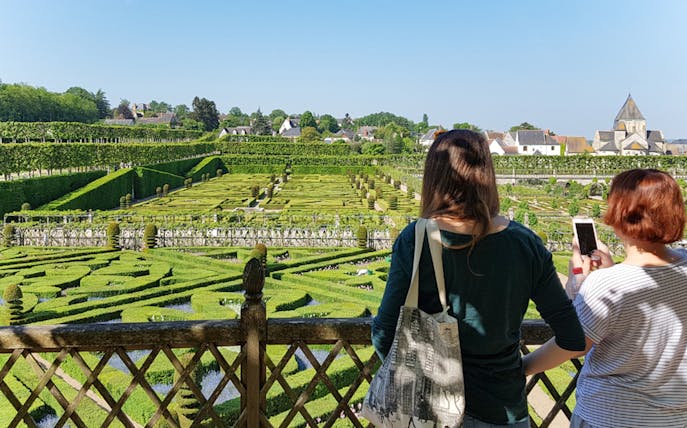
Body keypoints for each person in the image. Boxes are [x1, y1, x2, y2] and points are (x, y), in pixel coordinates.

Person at [371, 129, 586, 427]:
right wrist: (518, 368)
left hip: (434, 413)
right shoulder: (525, 242)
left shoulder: (416, 238)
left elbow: (383, 332)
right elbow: (573, 339)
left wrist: (420, 379)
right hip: (504, 411)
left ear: (433, 176)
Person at [524, 168, 687, 427]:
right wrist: (611, 271)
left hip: (610, 416)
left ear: (620, 216)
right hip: (674, 418)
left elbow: (573, 344)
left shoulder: (607, 285)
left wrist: (521, 367)